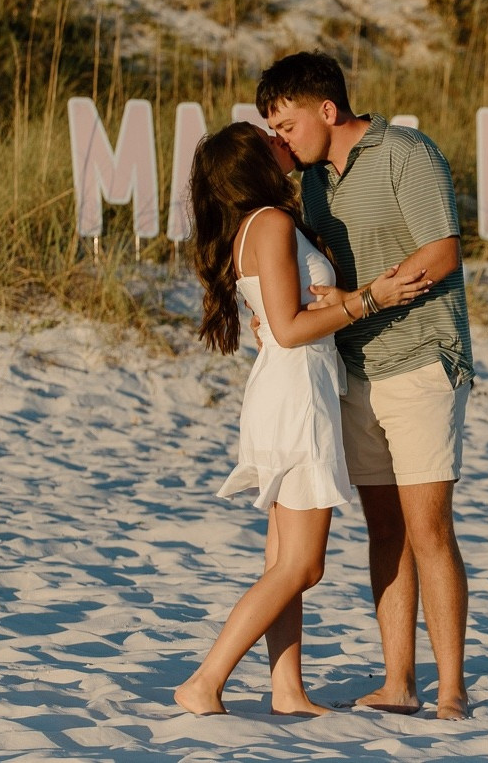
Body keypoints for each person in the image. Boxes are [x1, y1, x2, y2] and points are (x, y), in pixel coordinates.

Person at [174, 121, 432, 718]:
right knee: (303, 565)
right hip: (298, 397)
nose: (279, 138)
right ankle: (204, 681)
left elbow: (280, 323)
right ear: (253, 164)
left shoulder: (255, 225)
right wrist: (372, 299)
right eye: (268, 140)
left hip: (288, 389)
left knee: (282, 561)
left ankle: (287, 690)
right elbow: (290, 329)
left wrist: (350, 300)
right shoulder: (270, 223)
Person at [255, 52, 475, 721]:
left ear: (327, 109)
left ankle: (451, 689)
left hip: (421, 360)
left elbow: (443, 250)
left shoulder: (405, 152)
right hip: (353, 372)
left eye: (287, 122)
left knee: (428, 526)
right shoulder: (316, 184)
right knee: (384, 529)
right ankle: (398, 681)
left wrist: (365, 298)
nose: (282, 137)